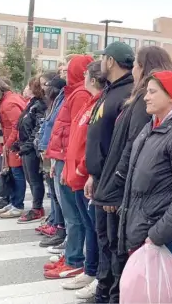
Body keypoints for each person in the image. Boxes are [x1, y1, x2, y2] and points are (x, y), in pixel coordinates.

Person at [91, 46, 172, 297]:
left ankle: (114, 294)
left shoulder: (141, 104)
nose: (134, 70)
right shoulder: (136, 98)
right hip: (116, 186)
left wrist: (115, 189)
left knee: (119, 252)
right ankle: (108, 291)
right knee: (110, 246)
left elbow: (132, 149)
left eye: (137, 65)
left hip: (127, 193)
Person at [118, 71, 172, 271]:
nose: (146, 97)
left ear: (171, 95)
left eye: (152, 92)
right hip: (144, 228)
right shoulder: (151, 126)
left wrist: (158, 234)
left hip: (163, 235)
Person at [84, 41, 135, 303]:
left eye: (103, 58)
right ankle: (103, 289)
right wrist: (93, 174)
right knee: (104, 240)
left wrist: (113, 185)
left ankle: (112, 294)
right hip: (100, 179)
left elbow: (123, 146)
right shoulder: (109, 91)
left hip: (113, 185)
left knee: (114, 245)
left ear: (111, 61)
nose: (100, 63)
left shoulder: (127, 94)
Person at [59, 61, 107, 300]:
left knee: (92, 228)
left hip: (83, 175)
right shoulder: (89, 102)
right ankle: (89, 269)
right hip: (75, 174)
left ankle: (93, 270)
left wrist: (82, 170)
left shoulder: (98, 103)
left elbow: (92, 144)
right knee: (89, 226)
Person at [44, 54, 94, 280]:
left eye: (68, 70)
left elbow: (76, 133)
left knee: (74, 215)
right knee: (70, 213)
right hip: (64, 158)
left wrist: (65, 163)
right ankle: (72, 255)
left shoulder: (80, 94)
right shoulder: (73, 93)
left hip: (70, 161)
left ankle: (75, 259)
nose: (63, 73)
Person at [0, 79, 27, 218]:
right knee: (15, 174)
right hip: (15, 141)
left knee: (16, 175)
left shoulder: (8, 103)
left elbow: (16, 125)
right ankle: (14, 202)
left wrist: (8, 144)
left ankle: (17, 205)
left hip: (13, 143)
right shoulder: (12, 99)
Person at [38, 74, 68, 248]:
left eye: (47, 85)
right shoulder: (55, 102)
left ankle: (61, 228)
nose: (44, 88)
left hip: (57, 152)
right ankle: (57, 225)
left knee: (60, 196)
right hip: (51, 151)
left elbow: (58, 127)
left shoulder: (64, 99)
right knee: (54, 193)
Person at [16, 76, 48, 223]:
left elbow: (37, 127)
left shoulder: (40, 104)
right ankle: (36, 206)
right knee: (30, 178)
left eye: (29, 86)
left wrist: (28, 144)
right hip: (26, 145)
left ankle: (37, 208)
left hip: (31, 147)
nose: (26, 89)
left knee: (35, 179)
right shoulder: (32, 104)